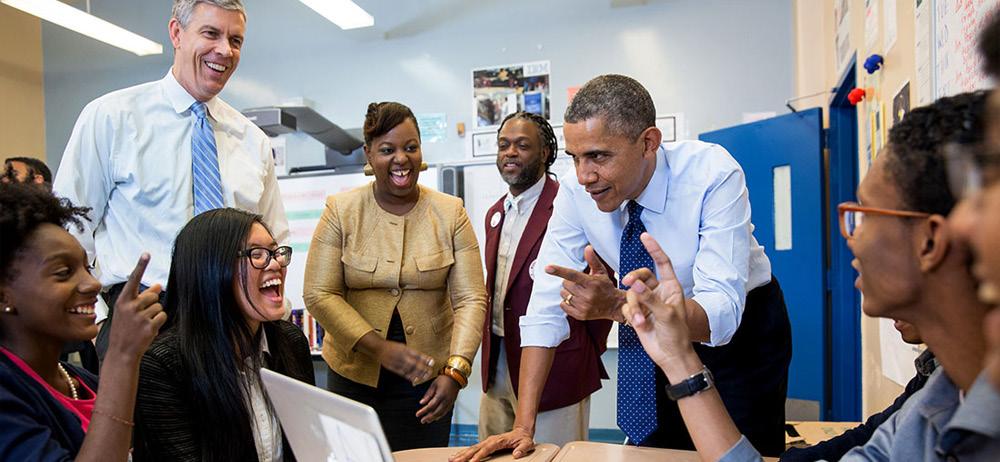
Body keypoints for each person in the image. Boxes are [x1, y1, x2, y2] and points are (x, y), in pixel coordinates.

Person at [624, 91, 998, 461]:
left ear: (932, 241)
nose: (853, 241)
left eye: (866, 215)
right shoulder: (936, 396)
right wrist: (677, 358)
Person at [453, 74, 791, 461]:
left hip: (740, 337)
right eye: (575, 157)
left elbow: (722, 314)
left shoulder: (710, 174)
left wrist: (618, 306)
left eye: (598, 156)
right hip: (647, 327)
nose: (584, 175)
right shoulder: (575, 192)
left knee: (737, 453)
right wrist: (523, 426)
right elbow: (544, 305)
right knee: (657, 451)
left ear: (648, 143)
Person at [52, 0, 288, 363]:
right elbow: (68, 230)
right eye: (211, 33)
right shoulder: (112, 118)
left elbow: (275, 239)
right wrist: (102, 323)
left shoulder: (252, 140)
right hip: (145, 315)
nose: (224, 50)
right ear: (176, 33)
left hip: (232, 322)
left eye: (236, 40)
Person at [303, 101, 487, 451]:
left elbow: (471, 299)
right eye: (387, 150)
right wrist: (379, 348)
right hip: (353, 373)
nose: (401, 158)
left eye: (410, 147)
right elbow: (319, 292)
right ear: (369, 155)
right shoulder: (340, 211)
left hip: (428, 381)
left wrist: (456, 372)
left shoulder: (451, 213)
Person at [0, 182, 166, 460]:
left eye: (87, 268)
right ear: (4, 296)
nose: (92, 283)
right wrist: (122, 357)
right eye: (64, 272)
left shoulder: (80, 381)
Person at [132, 208, 313, 461]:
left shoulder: (290, 342)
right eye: (257, 255)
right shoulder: (163, 365)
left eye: (275, 252)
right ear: (211, 270)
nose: (275, 264)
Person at [476, 111, 612, 446]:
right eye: (504, 145)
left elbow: (600, 283)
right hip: (499, 360)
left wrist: (585, 352)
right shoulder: (495, 213)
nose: (510, 152)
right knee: (493, 452)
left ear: (546, 153)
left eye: (522, 145)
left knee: (552, 455)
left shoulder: (574, 205)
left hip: (558, 364)